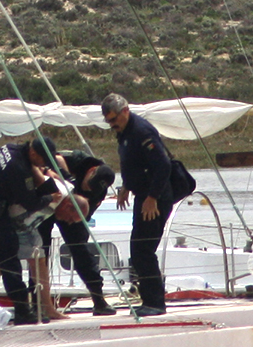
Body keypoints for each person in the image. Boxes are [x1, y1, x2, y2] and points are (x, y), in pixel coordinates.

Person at [0, 137, 61, 325]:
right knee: (9, 259)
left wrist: (45, 171)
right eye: (43, 162)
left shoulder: (9, 148)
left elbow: (30, 169)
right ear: (33, 153)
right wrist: (50, 197)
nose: (43, 166)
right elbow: (30, 202)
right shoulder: (19, 169)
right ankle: (23, 310)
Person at [102, 93, 172, 317]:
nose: (112, 125)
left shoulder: (142, 131)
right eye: (109, 122)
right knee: (139, 248)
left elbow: (163, 165)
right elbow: (134, 164)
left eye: (114, 119)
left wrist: (152, 197)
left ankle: (155, 303)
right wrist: (126, 186)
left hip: (155, 198)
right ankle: (150, 299)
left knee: (143, 249)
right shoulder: (124, 133)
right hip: (142, 195)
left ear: (125, 111)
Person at [37, 151, 118, 315]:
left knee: (81, 250)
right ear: (91, 171)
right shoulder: (77, 160)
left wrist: (73, 220)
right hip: (50, 201)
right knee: (40, 251)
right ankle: (37, 301)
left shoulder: (98, 190)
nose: (88, 189)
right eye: (88, 185)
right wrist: (62, 173)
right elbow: (50, 159)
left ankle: (98, 298)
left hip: (73, 211)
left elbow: (83, 216)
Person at [12, 177, 89, 321]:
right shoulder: (56, 192)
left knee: (40, 260)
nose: (68, 222)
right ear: (67, 206)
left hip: (26, 226)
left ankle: (48, 308)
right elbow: (40, 177)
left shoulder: (66, 193)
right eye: (71, 218)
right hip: (9, 219)